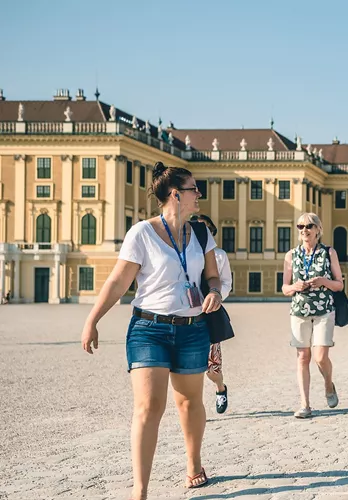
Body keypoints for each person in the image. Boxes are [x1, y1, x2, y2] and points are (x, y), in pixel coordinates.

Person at [81, 162, 223, 498]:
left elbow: (213, 275)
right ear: (175, 194)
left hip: (192, 328)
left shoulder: (201, 232)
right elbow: (118, 281)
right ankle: (140, 490)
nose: (198, 194)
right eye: (193, 189)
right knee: (149, 406)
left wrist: (214, 290)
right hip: (149, 328)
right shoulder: (141, 233)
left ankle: (193, 463)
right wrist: (92, 320)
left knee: (189, 402)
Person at [281, 212, 345, 419]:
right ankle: (305, 404)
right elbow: (284, 287)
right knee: (302, 357)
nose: (304, 230)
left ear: (318, 229)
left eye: (309, 226)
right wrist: (294, 286)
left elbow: (339, 284)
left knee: (320, 357)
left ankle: (328, 385)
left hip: (324, 311)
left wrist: (323, 281)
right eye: (300, 227)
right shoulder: (291, 255)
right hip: (299, 311)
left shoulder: (328, 252)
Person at [191, 214, 233, 414]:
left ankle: (220, 387)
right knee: (189, 366)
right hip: (187, 313)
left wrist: (215, 297)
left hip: (209, 313)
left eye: (204, 229)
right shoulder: (182, 253)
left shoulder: (219, 255)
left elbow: (226, 283)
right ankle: (195, 407)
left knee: (212, 368)